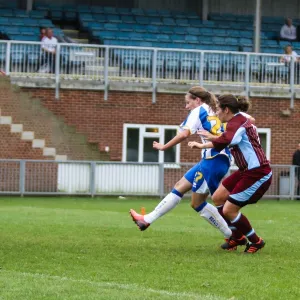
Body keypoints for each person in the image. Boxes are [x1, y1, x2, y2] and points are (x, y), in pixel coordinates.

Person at [129, 87, 232, 239]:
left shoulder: (199, 111)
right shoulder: (217, 109)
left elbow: (184, 134)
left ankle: (233, 235)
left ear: (197, 100)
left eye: (188, 102)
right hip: (217, 159)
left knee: (198, 203)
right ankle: (146, 220)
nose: (186, 107)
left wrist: (164, 147)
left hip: (213, 160)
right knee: (180, 186)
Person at [189, 94, 272, 253]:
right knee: (218, 197)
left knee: (229, 210)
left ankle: (256, 241)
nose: (216, 113)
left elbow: (227, 139)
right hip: (245, 171)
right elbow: (230, 138)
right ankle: (238, 237)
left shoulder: (237, 122)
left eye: (218, 109)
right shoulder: (237, 120)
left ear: (226, 110)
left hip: (258, 172)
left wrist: (202, 145)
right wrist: (214, 138)